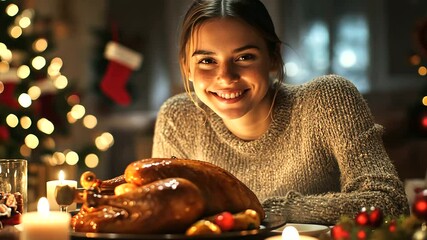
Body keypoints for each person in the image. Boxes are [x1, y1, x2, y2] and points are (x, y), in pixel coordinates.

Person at [151, 0, 409, 225]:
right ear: (186, 67)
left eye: (244, 57)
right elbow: (160, 215)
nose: (226, 77)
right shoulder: (179, 117)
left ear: (273, 58)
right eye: (207, 61)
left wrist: (278, 211)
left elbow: (389, 204)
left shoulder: (327, 99)